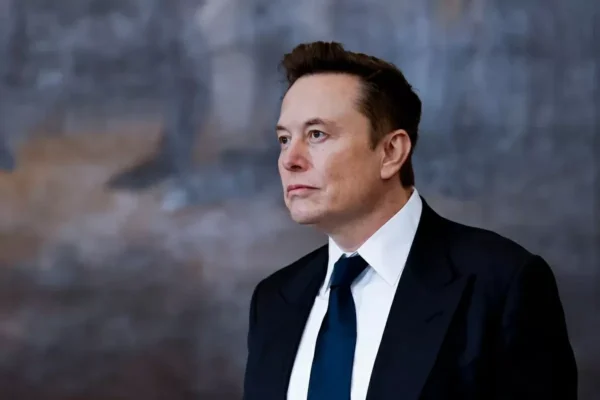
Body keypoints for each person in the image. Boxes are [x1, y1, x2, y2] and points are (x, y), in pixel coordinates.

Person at [242, 41, 577, 400]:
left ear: (391, 152)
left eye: (316, 135)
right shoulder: (273, 300)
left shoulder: (501, 283)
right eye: (284, 139)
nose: (289, 159)